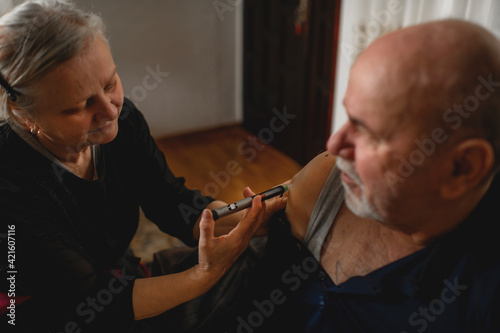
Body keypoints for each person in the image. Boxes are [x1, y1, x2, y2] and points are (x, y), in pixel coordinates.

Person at [0, 1, 286, 332]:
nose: (109, 111)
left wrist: (249, 219)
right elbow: (93, 302)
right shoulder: (9, 182)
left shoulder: (123, 121)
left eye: (109, 84)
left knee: (264, 255)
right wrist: (202, 276)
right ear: (24, 115)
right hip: (46, 313)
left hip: (115, 281)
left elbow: (171, 201)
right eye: (80, 106)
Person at [209, 19, 500, 332]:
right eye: (348, 116)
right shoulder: (327, 177)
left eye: (369, 132)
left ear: (462, 168)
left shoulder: (482, 297)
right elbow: (238, 221)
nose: (334, 144)